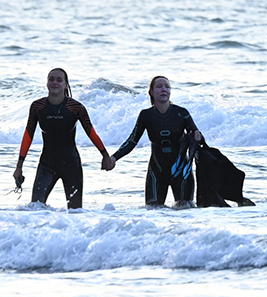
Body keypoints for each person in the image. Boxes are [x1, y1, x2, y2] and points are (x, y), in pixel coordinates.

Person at [12, 68, 112, 209]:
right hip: (46, 164)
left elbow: (91, 132)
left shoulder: (76, 108)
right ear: (47, 83)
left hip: (71, 166)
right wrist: (19, 167)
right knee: (35, 208)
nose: (55, 82)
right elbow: (28, 135)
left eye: (59, 80)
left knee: (75, 211)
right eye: (51, 79)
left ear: (66, 84)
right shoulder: (37, 107)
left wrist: (105, 155)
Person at [110, 76, 202, 207]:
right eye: (159, 86)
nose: (164, 89)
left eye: (167, 86)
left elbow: (198, 137)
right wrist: (114, 158)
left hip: (182, 172)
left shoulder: (181, 113)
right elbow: (132, 141)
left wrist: (197, 137)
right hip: (156, 171)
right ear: (151, 92)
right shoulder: (146, 115)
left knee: (186, 210)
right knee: (153, 210)